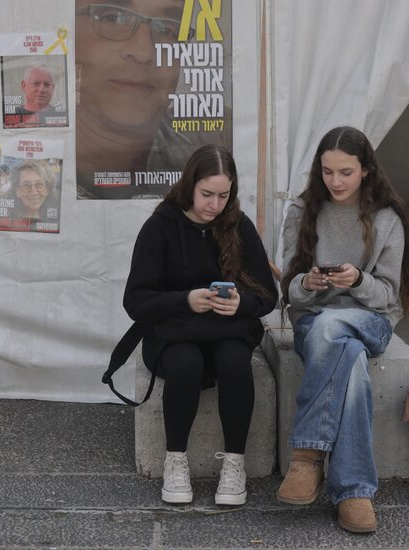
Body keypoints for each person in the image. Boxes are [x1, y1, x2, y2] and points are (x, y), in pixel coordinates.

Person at [276, 126, 409, 534]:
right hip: (316, 326)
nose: (335, 182)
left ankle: (307, 456)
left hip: (371, 321)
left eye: (345, 172)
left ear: (366, 171)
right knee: (346, 352)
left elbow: (389, 297)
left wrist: (356, 280)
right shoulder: (302, 212)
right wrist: (306, 284)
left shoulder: (387, 219)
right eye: (326, 172)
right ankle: (354, 490)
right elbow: (289, 293)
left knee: (334, 323)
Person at [123, 144, 277, 506]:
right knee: (185, 363)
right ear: (189, 185)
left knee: (234, 362)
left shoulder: (238, 224)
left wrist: (240, 303)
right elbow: (136, 302)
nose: (215, 204)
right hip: (175, 335)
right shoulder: (160, 226)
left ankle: (234, 464)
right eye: (207, 194)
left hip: (227, 332)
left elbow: (267, 296)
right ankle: (175, 459)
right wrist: (185, 300)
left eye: (224, 195)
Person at [74, 0, 227, 199]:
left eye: (167, 29)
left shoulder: (212, 145)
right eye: (113, 17)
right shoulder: (38, 170)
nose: (143, 52)